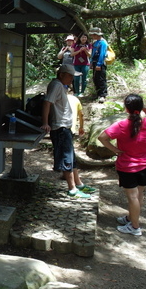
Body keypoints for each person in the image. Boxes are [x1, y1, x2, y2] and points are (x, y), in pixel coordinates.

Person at [98, 94, 146, 236]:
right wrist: (142, 107)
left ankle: (135, 227)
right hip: (145, 164)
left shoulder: (121, 125)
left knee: (132, 197)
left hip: (128, 166)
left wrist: (114, 150)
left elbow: (102, 137)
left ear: (126, 108)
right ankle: (131, 218)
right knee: (139, 194)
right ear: (140, 107)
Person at [41, 64, 96, 199]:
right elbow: (47, 103)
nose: (72, 79)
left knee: (71, 157)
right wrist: (45, 123)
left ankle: (78, 184)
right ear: (61, 75)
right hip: (60, 128)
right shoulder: (56, 85)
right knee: (66, 159)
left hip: (65, 127)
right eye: (70, 76)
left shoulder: (61, 86)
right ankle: (72, 189)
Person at [90, 27, 109, 103]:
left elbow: (102, 54)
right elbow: (93, 53)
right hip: (94, 62)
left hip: (100, 63)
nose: (92, 36)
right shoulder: (95, 43)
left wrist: (99, 64)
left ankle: (103, 95)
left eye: (93, 35)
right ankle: (98, 93)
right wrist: (91, 62)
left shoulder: (103, 43)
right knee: (95, 78)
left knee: (101, 79)